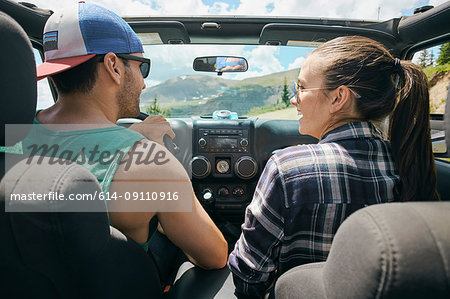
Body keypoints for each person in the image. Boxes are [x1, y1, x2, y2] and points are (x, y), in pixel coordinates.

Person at [21, 2, 227, 277]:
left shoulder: (11, 141)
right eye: (142, 67)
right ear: (114, 66)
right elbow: (215, 256)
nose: (143, 83)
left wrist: (129, 138)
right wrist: (164, 212)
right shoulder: (153, 166)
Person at [228, 35, 440, 298]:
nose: (294, 99)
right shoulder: (410, 163)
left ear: (338, 98)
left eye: (302, 88)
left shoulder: (286, 168)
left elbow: (248, 274)